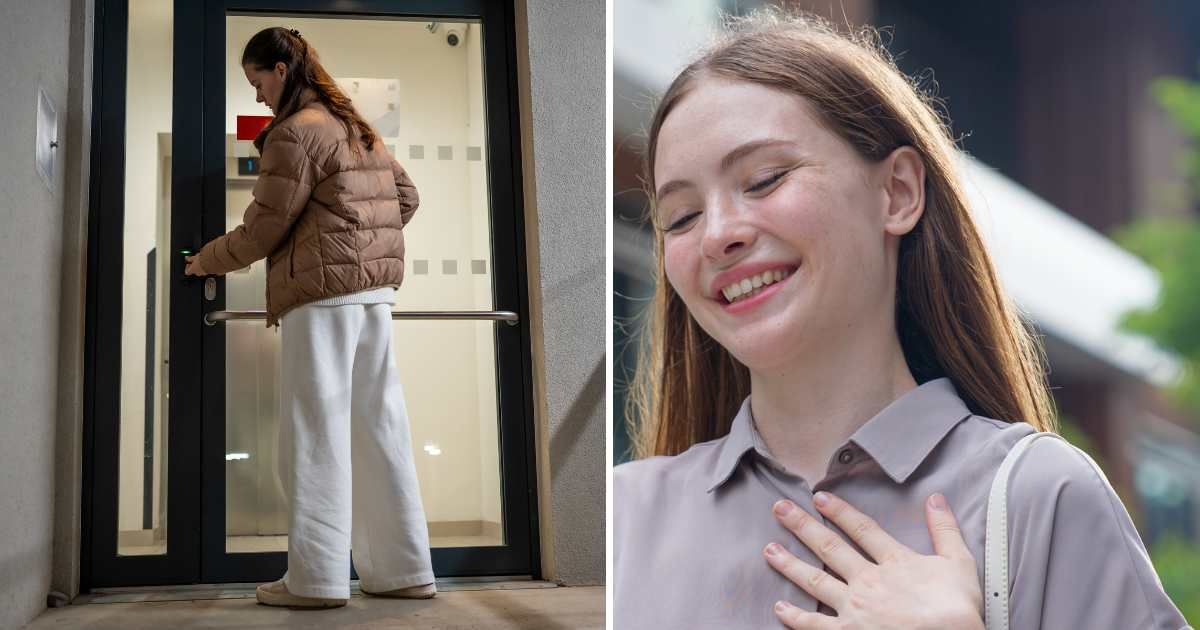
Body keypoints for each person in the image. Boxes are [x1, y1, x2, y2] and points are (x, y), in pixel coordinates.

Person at [614, 9, 1189, 630]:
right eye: (680, 217)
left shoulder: (1038, 496)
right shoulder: (622, 518)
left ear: (898, 193)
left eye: (765, 179)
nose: (718, 235)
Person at [184, 26, 436, 609]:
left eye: (256, 81)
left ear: (280, 68)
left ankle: (316, 580)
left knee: (314, 431)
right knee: (380, 430)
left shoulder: (295, 132)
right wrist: (357, 243)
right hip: (374, 296)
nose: (256, 97)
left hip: (322, 299)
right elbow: (407, 198)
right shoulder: (356, 128)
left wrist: (204, 263)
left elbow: (264, 229)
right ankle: (404, 570)